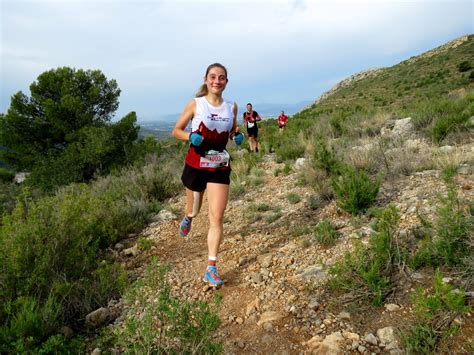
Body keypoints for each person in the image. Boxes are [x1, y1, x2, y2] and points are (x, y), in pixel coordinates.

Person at [172, 63, 244, 287]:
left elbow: (233, 130)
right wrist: (189, 137)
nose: (216, 81)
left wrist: (236, 136)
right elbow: (176, 130)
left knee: (217, 216)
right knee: (194, 209)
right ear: (205, 79)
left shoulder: (232, 107)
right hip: (196, 164)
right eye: (212, 77)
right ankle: (188, 218)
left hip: (219, 166)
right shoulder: (196, 104)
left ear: (226, 82)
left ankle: (211, 267)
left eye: (221, 78)